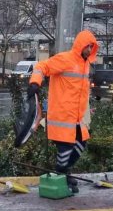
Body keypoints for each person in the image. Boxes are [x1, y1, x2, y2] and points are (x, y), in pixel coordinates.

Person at [28, 30, 99, 193]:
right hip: (62, 116)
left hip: (77, 118)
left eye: (92, 47)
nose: (90, 50)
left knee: (81, 143)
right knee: (66, 148)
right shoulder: (65, 59)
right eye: (88, 46)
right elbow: (42, 66)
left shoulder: (85, 65)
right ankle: (62, 177)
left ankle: (63, 173)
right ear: (81, 45)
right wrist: (35, 83)